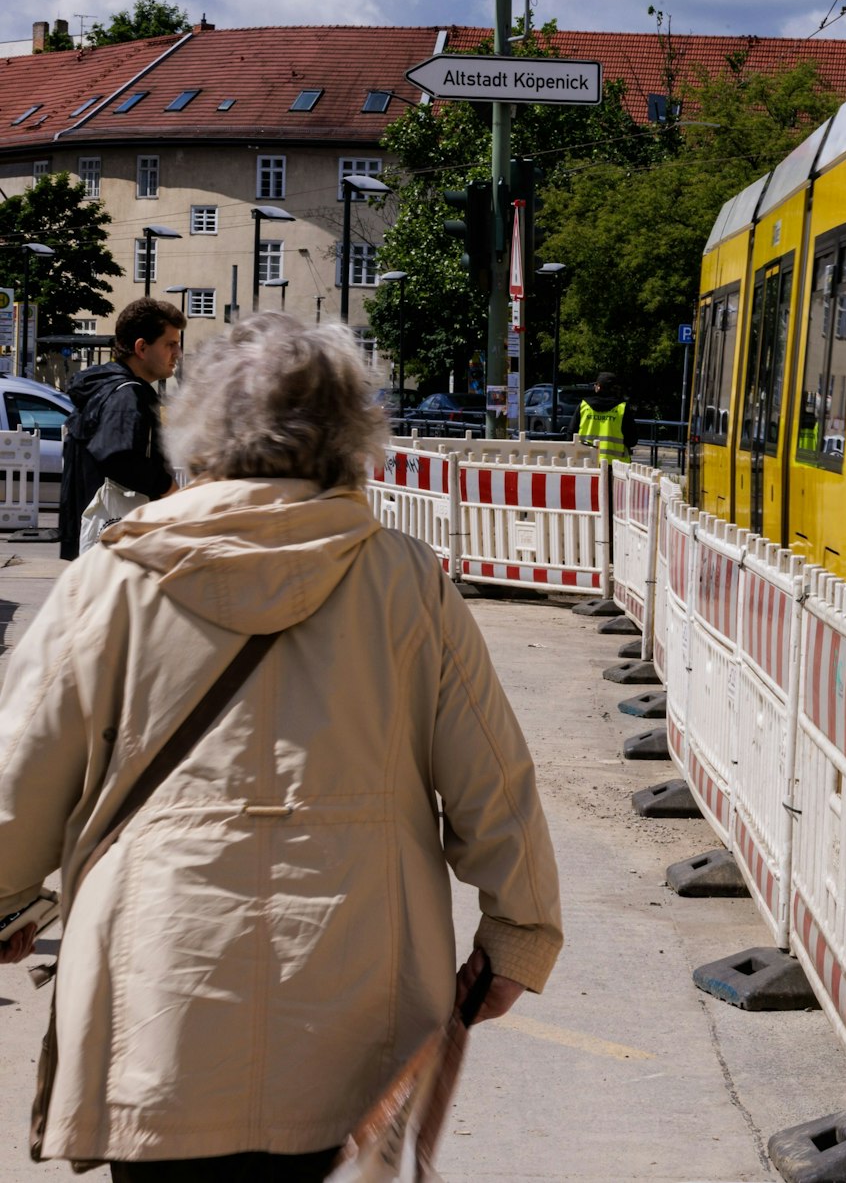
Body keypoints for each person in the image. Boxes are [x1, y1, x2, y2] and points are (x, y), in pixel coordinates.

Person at [0, 313, 563, 1180]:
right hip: (352, 999)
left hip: (161, 992)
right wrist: (517, 933)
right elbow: (493, 774)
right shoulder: (407, 581)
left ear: (194, 425)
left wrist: (8, 900)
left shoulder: (113, 579)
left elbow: (22, 768)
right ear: (352, 434)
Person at [57, 298, 186, 561]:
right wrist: (167, 486)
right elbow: (118, 456)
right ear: (141, 347)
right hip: (115, 533)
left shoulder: (105, 387)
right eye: (170, 344)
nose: (178, 352)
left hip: (97, 530)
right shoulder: (126, 396)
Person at [577, 371, 633, 464]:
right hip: (616, 466)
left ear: (598, 387)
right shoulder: (622, 408)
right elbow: (632, 440)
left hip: (586, 462)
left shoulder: (584, 406)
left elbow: (570, 434)